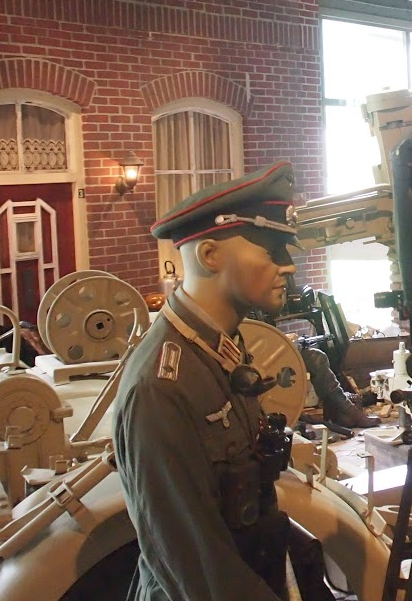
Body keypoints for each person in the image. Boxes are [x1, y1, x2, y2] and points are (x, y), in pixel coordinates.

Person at [113, 161, 303, 600]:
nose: (288, 266)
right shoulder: (161, 389)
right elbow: (196, 561)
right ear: (210, 256)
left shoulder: (222, 349)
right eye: (272, 250)